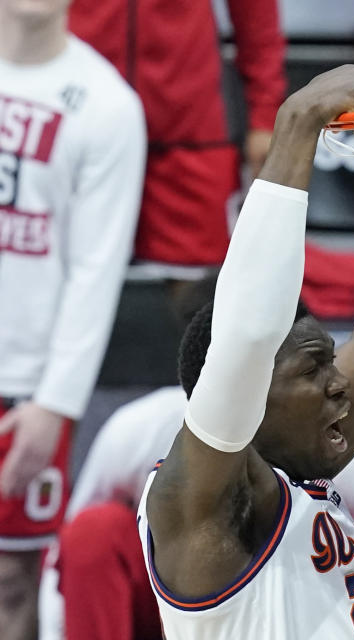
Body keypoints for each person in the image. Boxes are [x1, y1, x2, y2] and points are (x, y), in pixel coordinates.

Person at [138, 49, 354, 638]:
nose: (340, 379)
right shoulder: (196, 507)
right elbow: (246, 336)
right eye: (314, 368)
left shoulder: (293, 462)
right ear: (249, 394)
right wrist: (297, 123)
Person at [37, 277, 354, 640]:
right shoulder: (134, 429)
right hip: (163, 610)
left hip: (290, 615)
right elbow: (67, 557)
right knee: (94, 532)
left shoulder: (336, 441)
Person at [0, 0, 146, 636]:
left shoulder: (107, 106)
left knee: (9, 582)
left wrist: (56, 403)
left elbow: (96, 267)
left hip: (25, 388)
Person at [68, 0, 286, 271]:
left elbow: (257, 13)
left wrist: (265, 116)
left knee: (205, 289)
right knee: (54, 283)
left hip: (190, 130)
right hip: (74, 126)